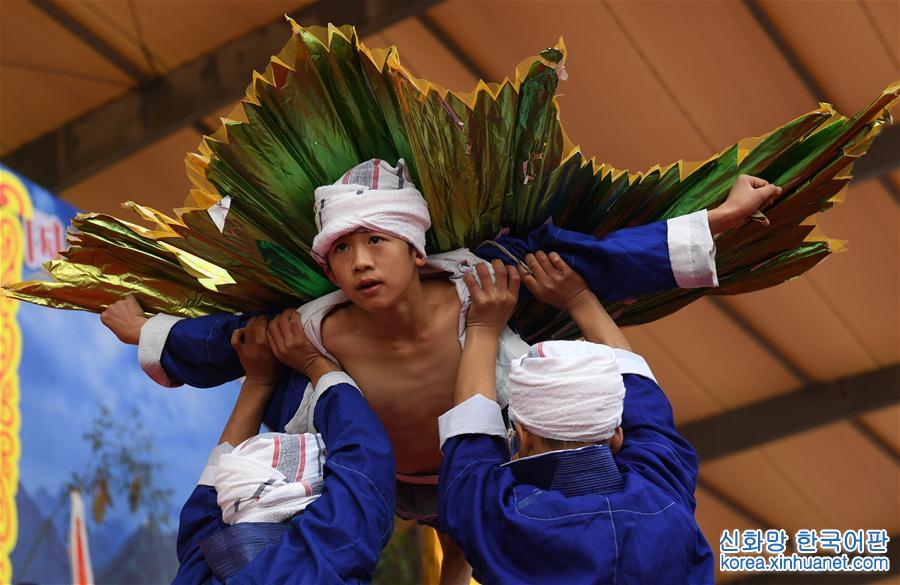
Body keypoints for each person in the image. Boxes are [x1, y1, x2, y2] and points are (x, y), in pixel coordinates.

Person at [101, 159, 774, 583]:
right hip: (378, 487)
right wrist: (151, 333)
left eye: (376, 240)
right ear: (326, 265)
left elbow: (590, 260)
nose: (360, 262)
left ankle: (455, 547)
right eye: (341, 250)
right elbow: (229, 341)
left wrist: (714, 223)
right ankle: (452, 544)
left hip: (498, 477)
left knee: (464, 530)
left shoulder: (482, 281)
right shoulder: (309, 328)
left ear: (416, 247)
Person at [436, 253, 713, 584]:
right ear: (617, 437)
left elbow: (471, 446)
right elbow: (648, 411)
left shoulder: (504, 516)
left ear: (522, 436)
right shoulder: (663, 496)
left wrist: (482, 326)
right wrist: (580, 299)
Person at [174, 315, 395, 584]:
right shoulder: (308, 569)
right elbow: (364, 471)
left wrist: (258, 381)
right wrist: (315, 365)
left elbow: (204, 530)